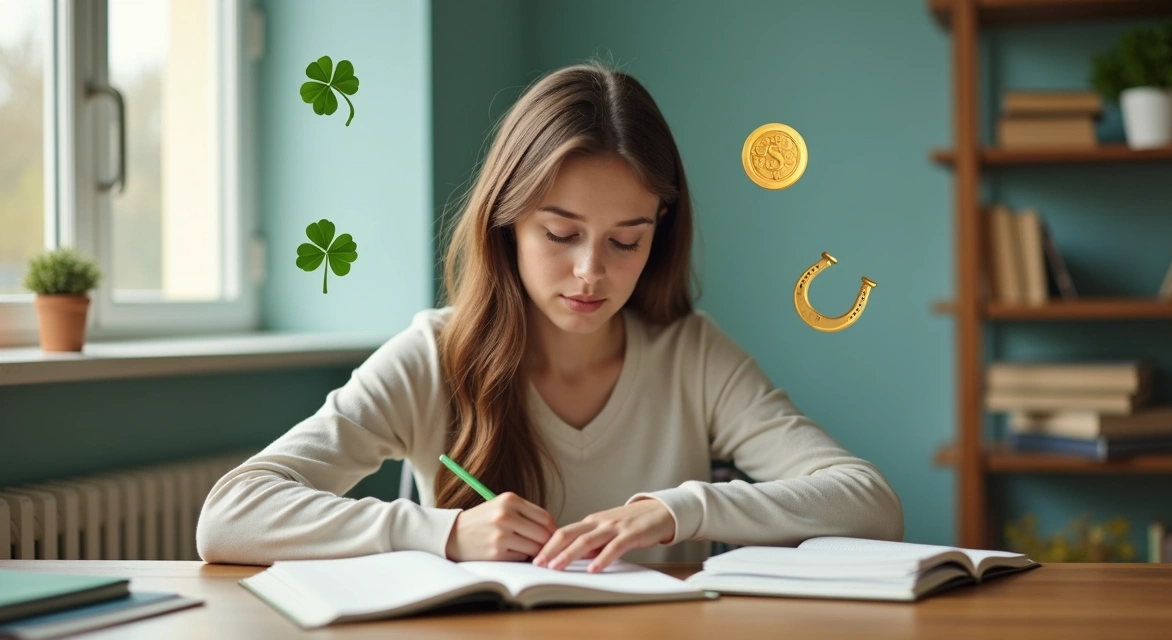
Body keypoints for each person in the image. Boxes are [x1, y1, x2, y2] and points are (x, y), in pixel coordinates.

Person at [196, 61, 903, 571]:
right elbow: (231, 514)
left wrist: (682, 509)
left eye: (627, 239)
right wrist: (443, 534)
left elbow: (871, 504)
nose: (591, 272)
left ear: (661, 228)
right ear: (505, 223)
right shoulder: (433, 355)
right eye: (560, 234)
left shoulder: (692, 354)